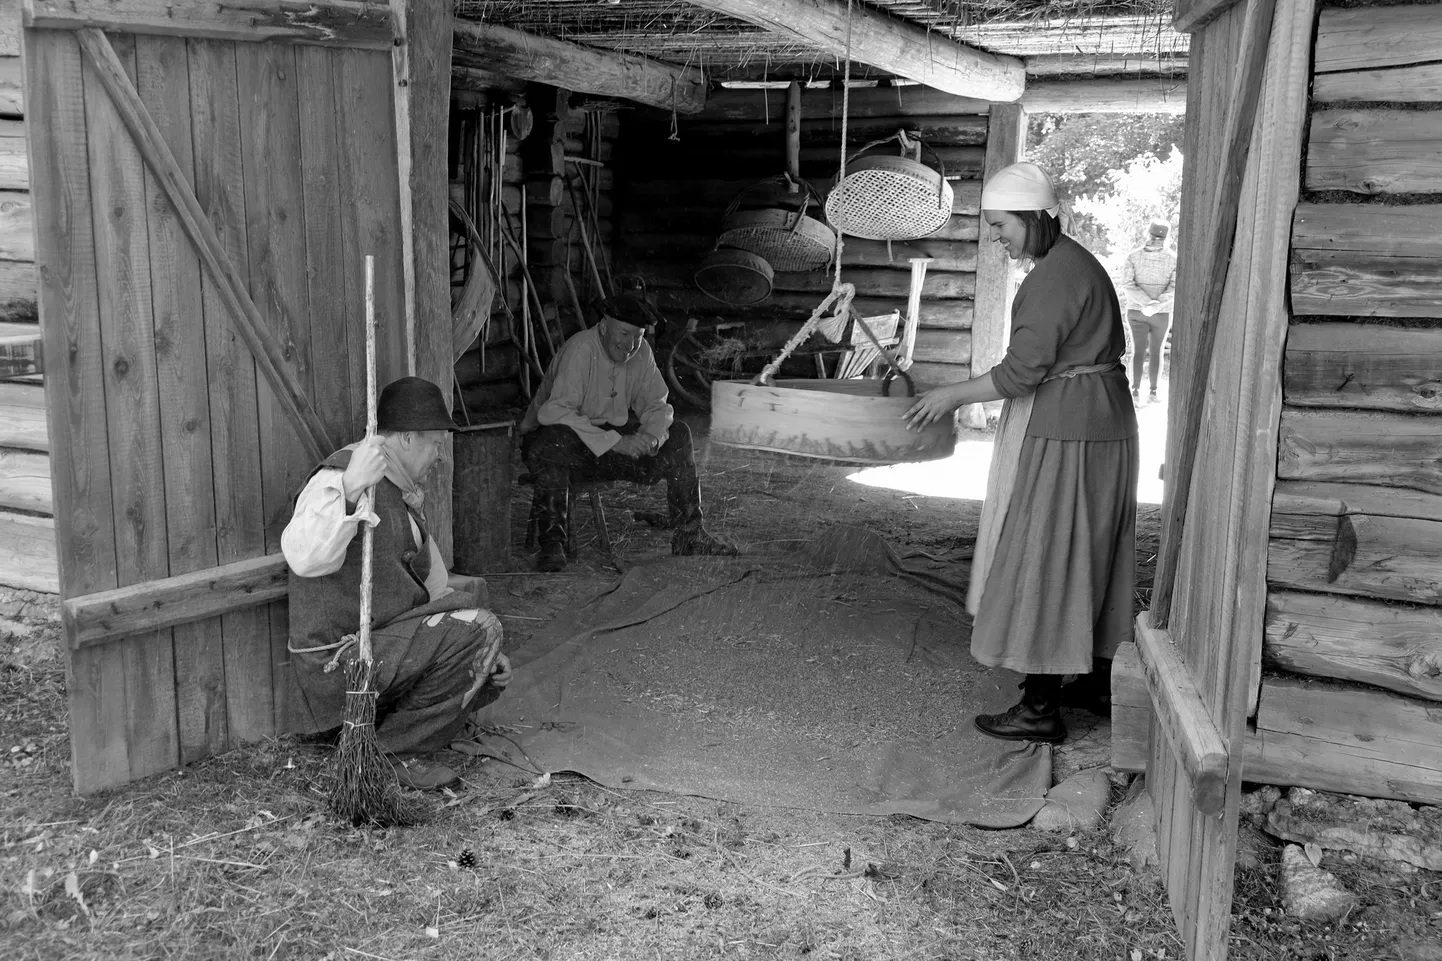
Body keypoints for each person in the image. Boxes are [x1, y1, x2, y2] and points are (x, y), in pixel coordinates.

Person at [902, 161, 1138, 744]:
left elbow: (1020, 373)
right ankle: (1093, 676)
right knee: (1092, 549)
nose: (996, 235)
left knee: (1047, 552)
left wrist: (951, 395)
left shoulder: (1053, 278)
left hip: (1070, 428)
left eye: (1002, 224)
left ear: (1035, 219)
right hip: (1100, 419)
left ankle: (1039, 707)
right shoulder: (1073, 261)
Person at [282, 376, 513, 791]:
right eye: (436, 443)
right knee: (479, 627)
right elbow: (303, 557)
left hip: (380, 647)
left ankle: (389, 734)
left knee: (480, 633)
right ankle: (391, 756)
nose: (440, 456)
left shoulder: (399, 492)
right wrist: (351, 488)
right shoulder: (340, 476)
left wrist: (484, 649)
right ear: (406, 438)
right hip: (339, 663)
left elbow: (434, 587)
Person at [519, 294, 736, 572]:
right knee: (555, 442)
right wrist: (615, 443)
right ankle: (552, 545)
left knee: (679, 434)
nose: (630, 344)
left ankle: (689, 534)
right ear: (604, 325)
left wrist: (651, 437)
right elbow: (553, 413)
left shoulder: (641, 352)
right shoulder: (582, 348)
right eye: (624, 333)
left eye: (638, 336)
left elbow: (657, 404)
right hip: (556, 443)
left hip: (605, 447)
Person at [1120, 219, 1177, 404]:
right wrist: (1156, 304)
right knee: (1156, 352)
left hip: (1137, 311)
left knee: (1137, 351)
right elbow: (1175, 287)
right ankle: (1153, 393)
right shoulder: (1174, 259)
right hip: (1161, 313)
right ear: (1167, 238)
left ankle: (1135, 393)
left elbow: (1128, 285)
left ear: (1148, 234)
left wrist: (1146, 304)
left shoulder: (1132, 257)